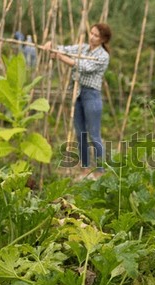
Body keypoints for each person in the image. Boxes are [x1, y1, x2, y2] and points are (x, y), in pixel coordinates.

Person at [43, 23, 112, 179]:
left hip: (92, 95)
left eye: (96, 35)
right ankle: (85, 169)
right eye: (91, 33)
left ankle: (100, 171)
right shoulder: (83, 48)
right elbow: (66, 49)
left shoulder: (103, 56)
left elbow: (83, 66)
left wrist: (60, 57)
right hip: (78, 92)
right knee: (80, 134)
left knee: (94, 135)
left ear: (103, 39)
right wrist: (52, 46)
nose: (92, 37)